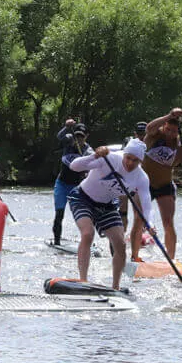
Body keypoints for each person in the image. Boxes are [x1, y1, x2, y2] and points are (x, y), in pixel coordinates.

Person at [66, 140, 153, 291]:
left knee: (120, 244)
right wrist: (94, 156)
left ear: (140, 161)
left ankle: (115, 288)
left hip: (107, 207)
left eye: (135, 160)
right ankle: (83, 280)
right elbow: (74, 166)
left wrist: (150, 223)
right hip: (82, 198)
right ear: (124, 154)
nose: (130, 163)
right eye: (128, 158)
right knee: (88, 234)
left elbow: (146, 203)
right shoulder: (110, 158)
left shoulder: (141, 177)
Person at [130, 107, 182, 262]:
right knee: (138, 220)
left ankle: (171, 260)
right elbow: (149, 127)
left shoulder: (180, 146)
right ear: (164, 127)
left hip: (165, 186)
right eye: (168, 129)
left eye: (174, 131)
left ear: (178, 131)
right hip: (144, 185)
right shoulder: (154, 135)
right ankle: (134, 257)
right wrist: (169, 115)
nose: (170, 133)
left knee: (168, 223)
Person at [52, 118, 92, 245]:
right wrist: (66, 126)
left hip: (77, 186)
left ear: (86, 136)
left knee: (83, 216)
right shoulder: (68, 141)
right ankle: (57, 242)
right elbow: (59, 136)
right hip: (62, 184)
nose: (79, 139)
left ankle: (86, 242)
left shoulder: (88, 151)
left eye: (82, 136)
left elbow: (94, 164)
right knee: (59, 214)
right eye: (77, 136)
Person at [118, 122, 149, 227]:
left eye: (144, 134)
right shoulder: (129, 142)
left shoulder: (151, 143)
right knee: (123, 209)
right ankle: (122, 232)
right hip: (125, 180)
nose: (142, 137)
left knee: (139, 211)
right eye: (139, 134)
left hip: (139, 181)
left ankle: (140, 234)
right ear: (135, 134)